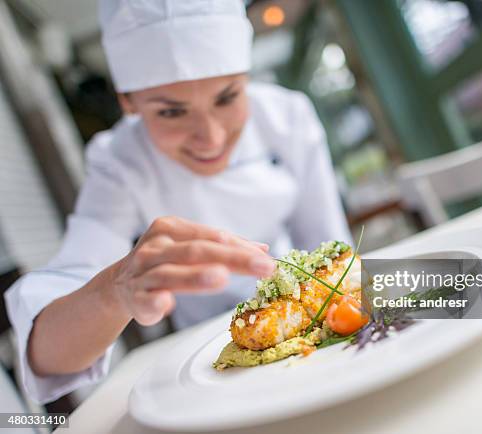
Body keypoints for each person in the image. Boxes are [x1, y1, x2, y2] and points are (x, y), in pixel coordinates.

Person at [5, 0, 350, 404]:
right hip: (205, 366)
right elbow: (46, 356)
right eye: (171, 112)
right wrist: (116, 290)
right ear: (128, 103)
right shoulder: (120, 160)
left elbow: (338, 259)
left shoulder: (287, 117)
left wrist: (437, 291)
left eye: (227, 98)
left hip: (313, 325)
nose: (212, 138)